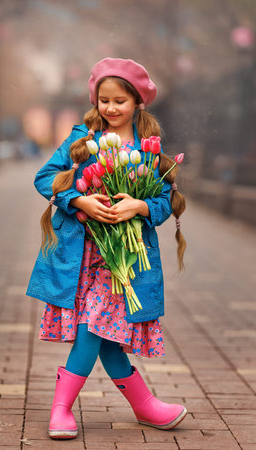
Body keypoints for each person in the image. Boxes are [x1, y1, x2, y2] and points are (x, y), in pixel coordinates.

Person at [26, 57, 187, 440]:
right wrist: (77, 201)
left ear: (137, 102)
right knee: (96, 327)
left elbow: (166, 198)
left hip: (125, 262)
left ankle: (137, 407)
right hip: (84, 257)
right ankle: (70, 409)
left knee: (101, 329)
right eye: (104, 100)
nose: (111, 108)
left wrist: (141, 205)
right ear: (95, 101)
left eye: (120, 101)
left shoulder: (149, 150)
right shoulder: (82, 139)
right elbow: (45, 176)